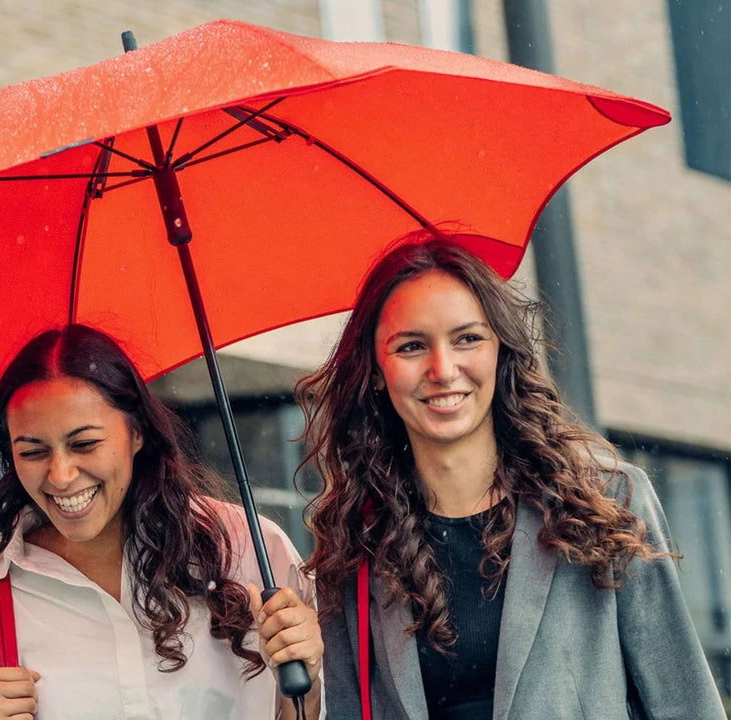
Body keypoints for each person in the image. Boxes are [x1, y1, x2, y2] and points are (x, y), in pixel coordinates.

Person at [297, 233, 724, 719]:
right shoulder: (356, 543)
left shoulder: (604, 502)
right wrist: (303, 691)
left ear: (500, 349)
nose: (443, 369)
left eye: (467, 339)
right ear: (375, 370)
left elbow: (685, 703)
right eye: (412, 346)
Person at [0, 324, 323, 720]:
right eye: (33, 452)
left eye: (85, 444)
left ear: (137, 432)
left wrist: (307, 685)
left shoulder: (251, 552)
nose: (61, 475)